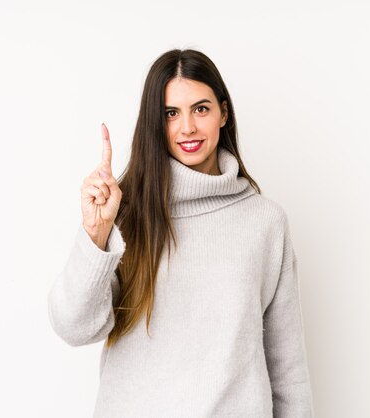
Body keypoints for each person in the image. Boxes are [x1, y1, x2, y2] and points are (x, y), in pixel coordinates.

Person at [47, 48, 314, 417]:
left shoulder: (265, 222)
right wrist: (96, 233)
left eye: (200, 109)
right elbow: (74, 327)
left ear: (223, 113)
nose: (187, 126)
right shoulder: (124, 214)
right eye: (171, 113)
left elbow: (288, 372)